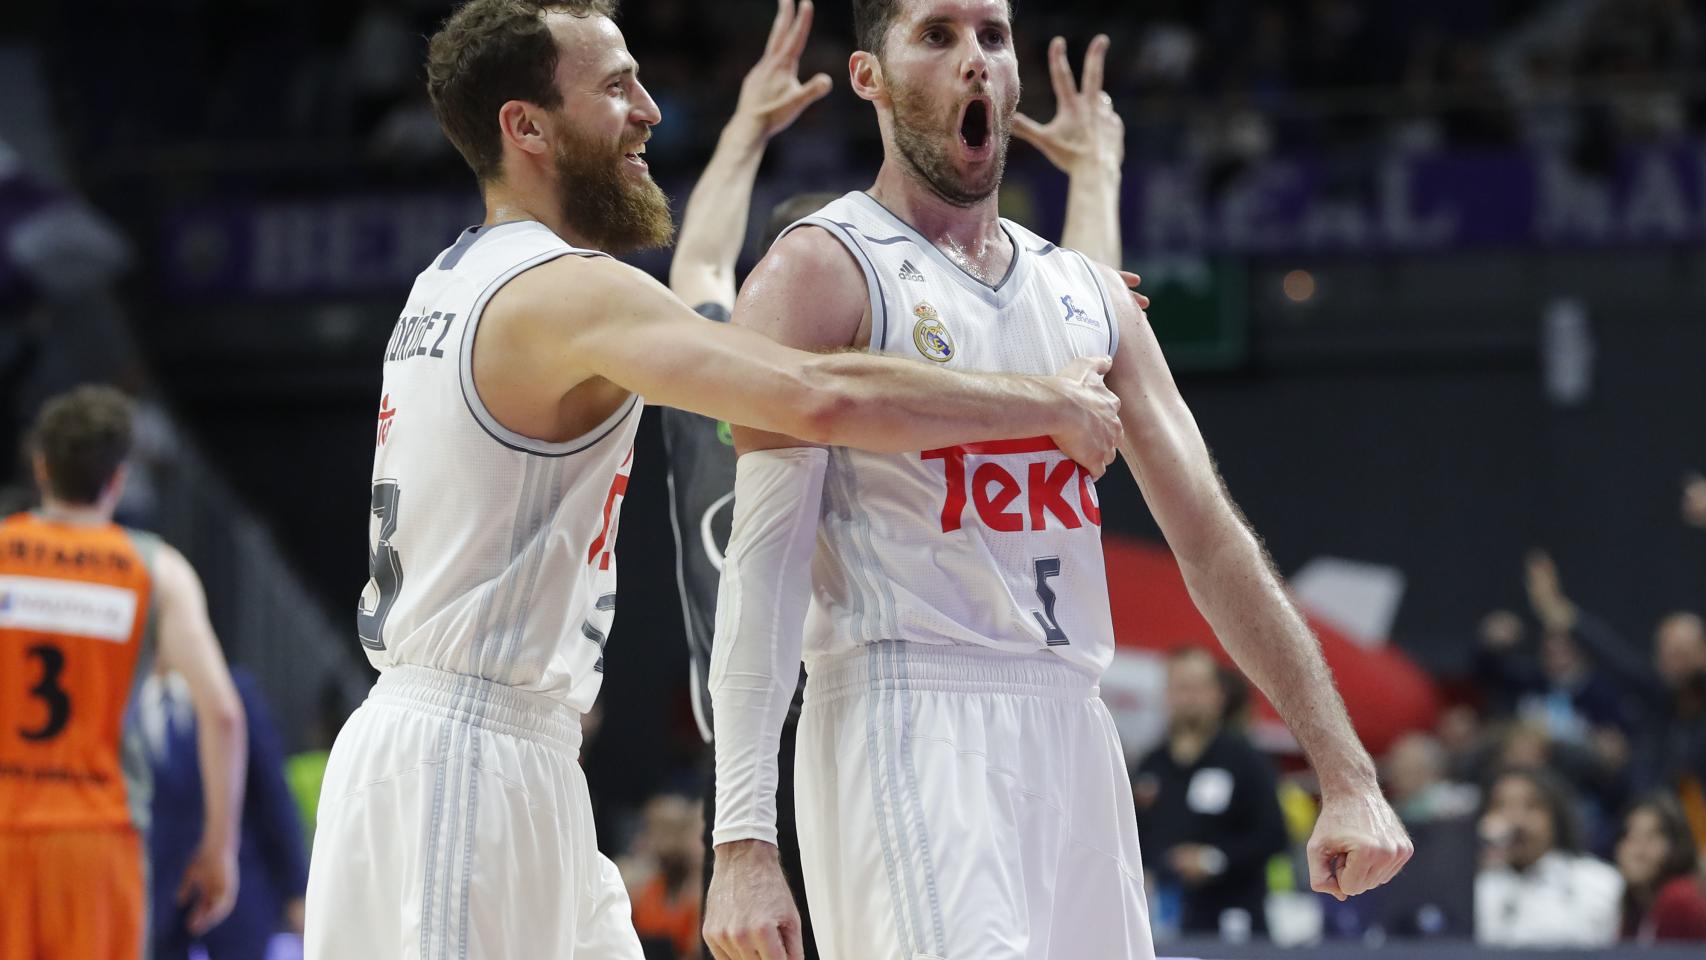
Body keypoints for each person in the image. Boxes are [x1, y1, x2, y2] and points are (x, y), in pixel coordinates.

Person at [300, 0, 1124, 957]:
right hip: (463, 758)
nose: (652, 108)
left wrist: (742, 135)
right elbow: (814, 390)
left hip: (513, 747)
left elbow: (704, 277)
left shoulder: (449, 281)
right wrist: (1044, 400)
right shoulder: (567, 291)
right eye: (617, 88)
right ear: (524, 127)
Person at [703, 4, 1412, 959]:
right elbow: (762, 574)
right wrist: (743, 837)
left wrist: (1346, 772)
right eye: (937, 36)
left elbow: (1210, 538)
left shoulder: (1087, 292)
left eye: (993, 38)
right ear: (869, 77)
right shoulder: (820, 271)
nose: (975, 64)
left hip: (1074, 723)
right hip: (907, 709)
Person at [662, 18, 1129, 958]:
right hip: (807, 704)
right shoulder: (770, 351)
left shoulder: (761, 355)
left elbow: (1074, 351)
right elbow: (719, 288)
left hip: (862, 703)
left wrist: (1095, 183)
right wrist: (742, 837)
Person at [0, 384, 247, 960]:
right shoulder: (156, 570)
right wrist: (219, 847)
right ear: (117, 479)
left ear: (41, 468)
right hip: (97, 835)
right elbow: (224, 714)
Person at [142, 665, 310, 960]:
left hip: (240, 899)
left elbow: (274, 797)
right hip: (159, 901)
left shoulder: (233, 693)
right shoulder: (126, 696)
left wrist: (297, 892)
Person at [1132, 648, 1287, 938]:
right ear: (1167, 695)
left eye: (1199, 687)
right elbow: (1134, 834)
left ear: (1219, 695)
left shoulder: (1245, 760)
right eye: (1181, 687)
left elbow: (1274, 834)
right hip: (1161, 922)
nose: (1190, 697)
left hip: (1231, 922)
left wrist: (1215, 858)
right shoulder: (1151, 765)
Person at [1474, 766, 1622, 947]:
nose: (1516, 819)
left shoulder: (1599, 881)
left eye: (1531, 806)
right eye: (1500, 806)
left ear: (1555, 816)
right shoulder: (1472, 886)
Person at [1616, 793, 1706, 942]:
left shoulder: (1678, 899)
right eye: (1630, 836)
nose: (1636, 850)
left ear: (1676, 845)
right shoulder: (1636, 902)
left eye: (1650, 836)